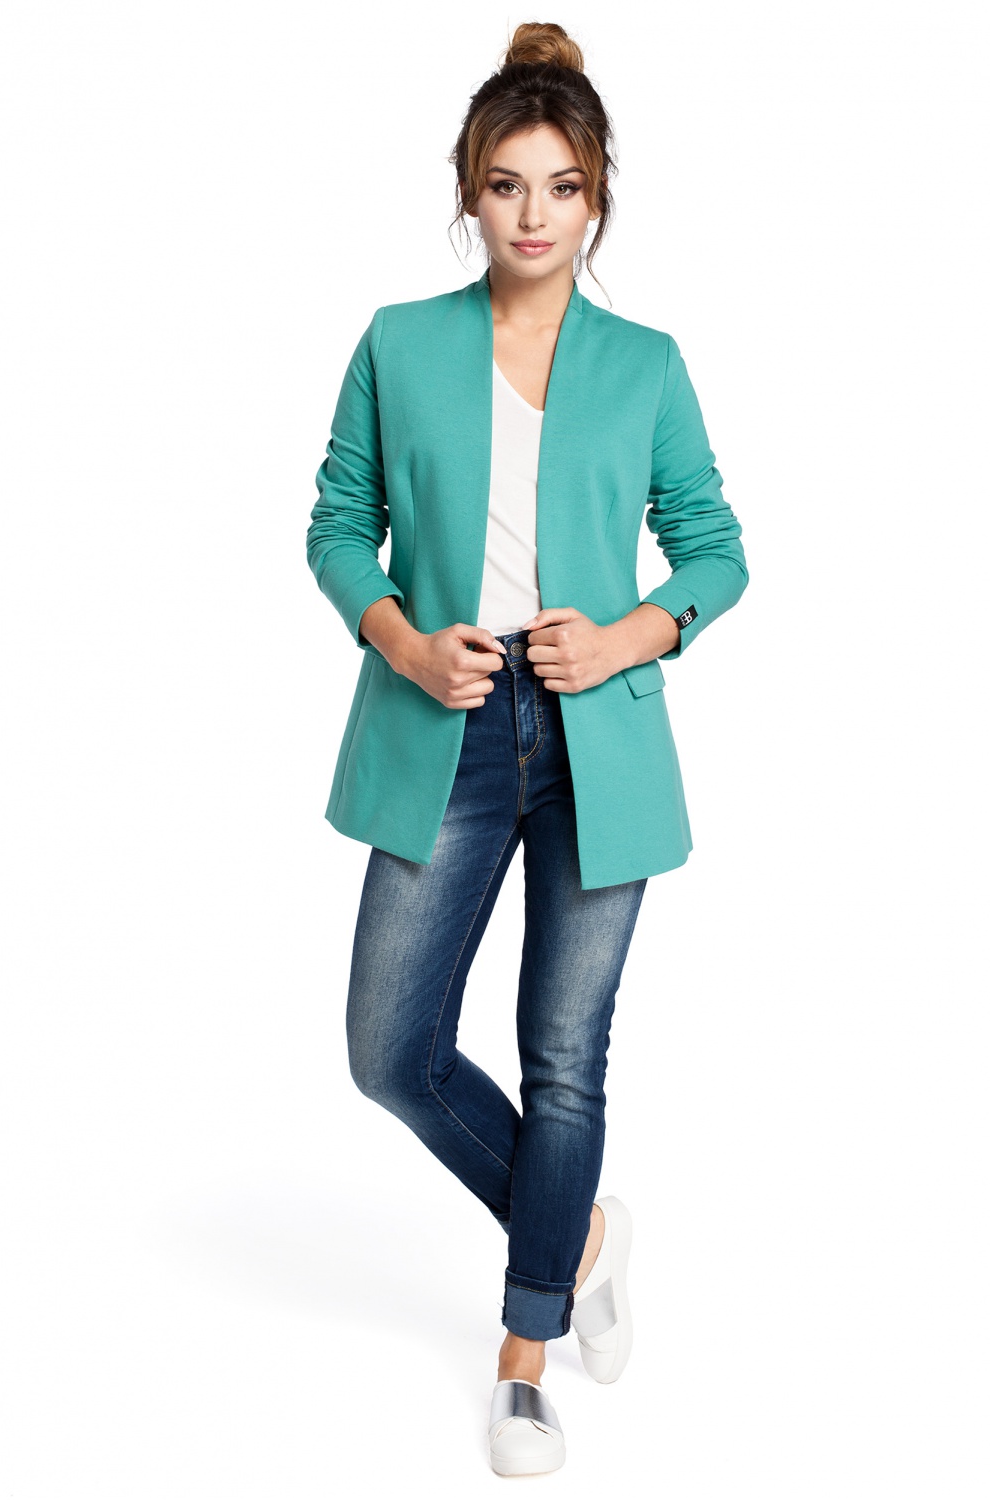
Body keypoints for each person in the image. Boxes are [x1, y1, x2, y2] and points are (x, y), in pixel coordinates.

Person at [306, 20, 749, 1477]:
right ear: (470, 192)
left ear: (596, 196)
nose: (534, 214)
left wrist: (629, 637)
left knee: (564, 1059)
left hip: (597, 739)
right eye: (506, 185)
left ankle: (523, 1355)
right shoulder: (398, 342)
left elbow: (716, 550)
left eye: (562, 186)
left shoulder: (647, 365)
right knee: (390, 1050)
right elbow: (336, 526)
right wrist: (403, 641)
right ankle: (578, 1235)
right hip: (448, 726)